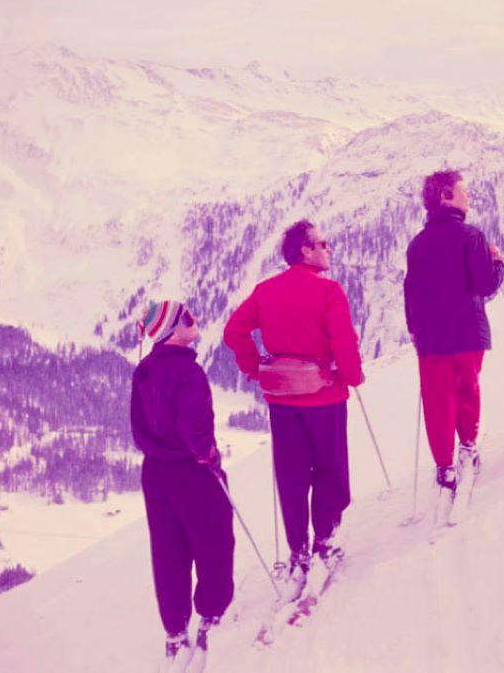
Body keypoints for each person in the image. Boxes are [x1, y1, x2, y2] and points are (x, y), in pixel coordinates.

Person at [223, 220, 364, 598]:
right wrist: (352, 375)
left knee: (292, 473)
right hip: (325, 395)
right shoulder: (328, 291)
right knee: (331, 469)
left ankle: (298, 550)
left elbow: (233, 332)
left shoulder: (267, 291)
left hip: (282, 399)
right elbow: (343, 341)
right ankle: (324, 541)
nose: (329, 248)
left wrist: (255, 367)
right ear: (306, 250)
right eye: (324, 243)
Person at [131, 300, 234, 671]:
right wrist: (209, 458)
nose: (196, 320)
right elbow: (195, 429)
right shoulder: (189, 373)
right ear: (173, 330)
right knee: (214, 540)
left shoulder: (142, 371)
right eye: (188, 317)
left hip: (155, 474)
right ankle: (212, 612)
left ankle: (175, 630)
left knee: (168, 551)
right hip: (192, 471)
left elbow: (138, 429)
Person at [403, 170, 504, 513]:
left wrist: (415, 330)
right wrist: (498, 262)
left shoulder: (416, 244)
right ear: (446, 196)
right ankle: (468, 448)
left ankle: (444, 466)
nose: (469, 196)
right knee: (467, 388)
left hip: (432, 337)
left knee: (437, 399)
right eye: (464, 191)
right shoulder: (470, 236)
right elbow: (484, 285)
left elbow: (411, 293)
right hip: (466, 330)